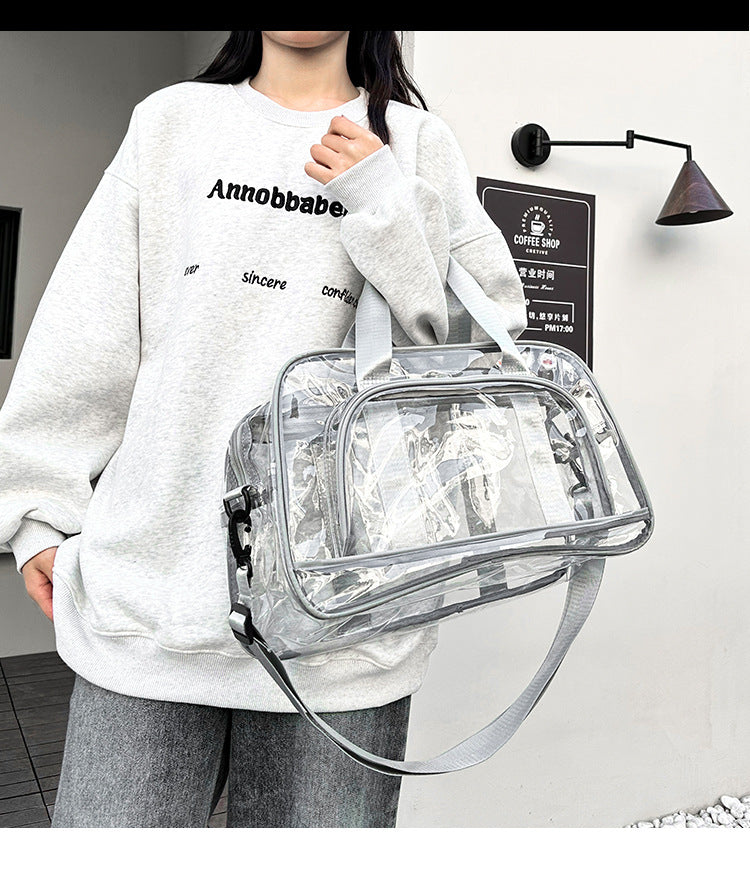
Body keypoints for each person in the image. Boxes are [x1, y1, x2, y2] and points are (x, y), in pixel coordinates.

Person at [0, 30, 526, 827]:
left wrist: (384, 205)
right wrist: (36, 508)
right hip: (150, 611)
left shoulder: (415, 143)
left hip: (345, 635)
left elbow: (481, 355)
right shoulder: (172, 122)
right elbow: (88, 330)